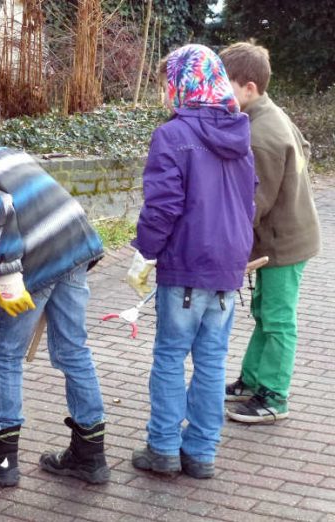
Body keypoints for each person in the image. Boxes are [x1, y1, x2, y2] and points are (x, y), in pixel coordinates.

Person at [0, 124, 110, 487]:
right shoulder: (8, 152)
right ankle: (91, 455)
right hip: (75, 243)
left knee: (4, 353)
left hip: (34, 260)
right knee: (73, 349)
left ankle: (2, 461)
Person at [127, 44, 256, 479]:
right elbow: (246, 204)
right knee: (212, 361)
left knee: (169, 356)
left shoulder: (172, 135)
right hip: (226, 270)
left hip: (185, 265)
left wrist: (145, 252)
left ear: (180, 83)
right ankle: (201, 453)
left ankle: (162, 446)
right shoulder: (242, 136)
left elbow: (162, 206)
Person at [220, 41, 321, 423]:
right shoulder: (268, 115)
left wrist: (229, 250)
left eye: (225, 84)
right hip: (286, 235)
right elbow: (305, 147)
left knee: (278, 319)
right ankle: (252, 380)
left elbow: (251, 204)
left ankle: (274, 396)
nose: (219, 92)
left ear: (248, 87)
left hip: (285, 243)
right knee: (265, 311)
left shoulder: (260, 133)